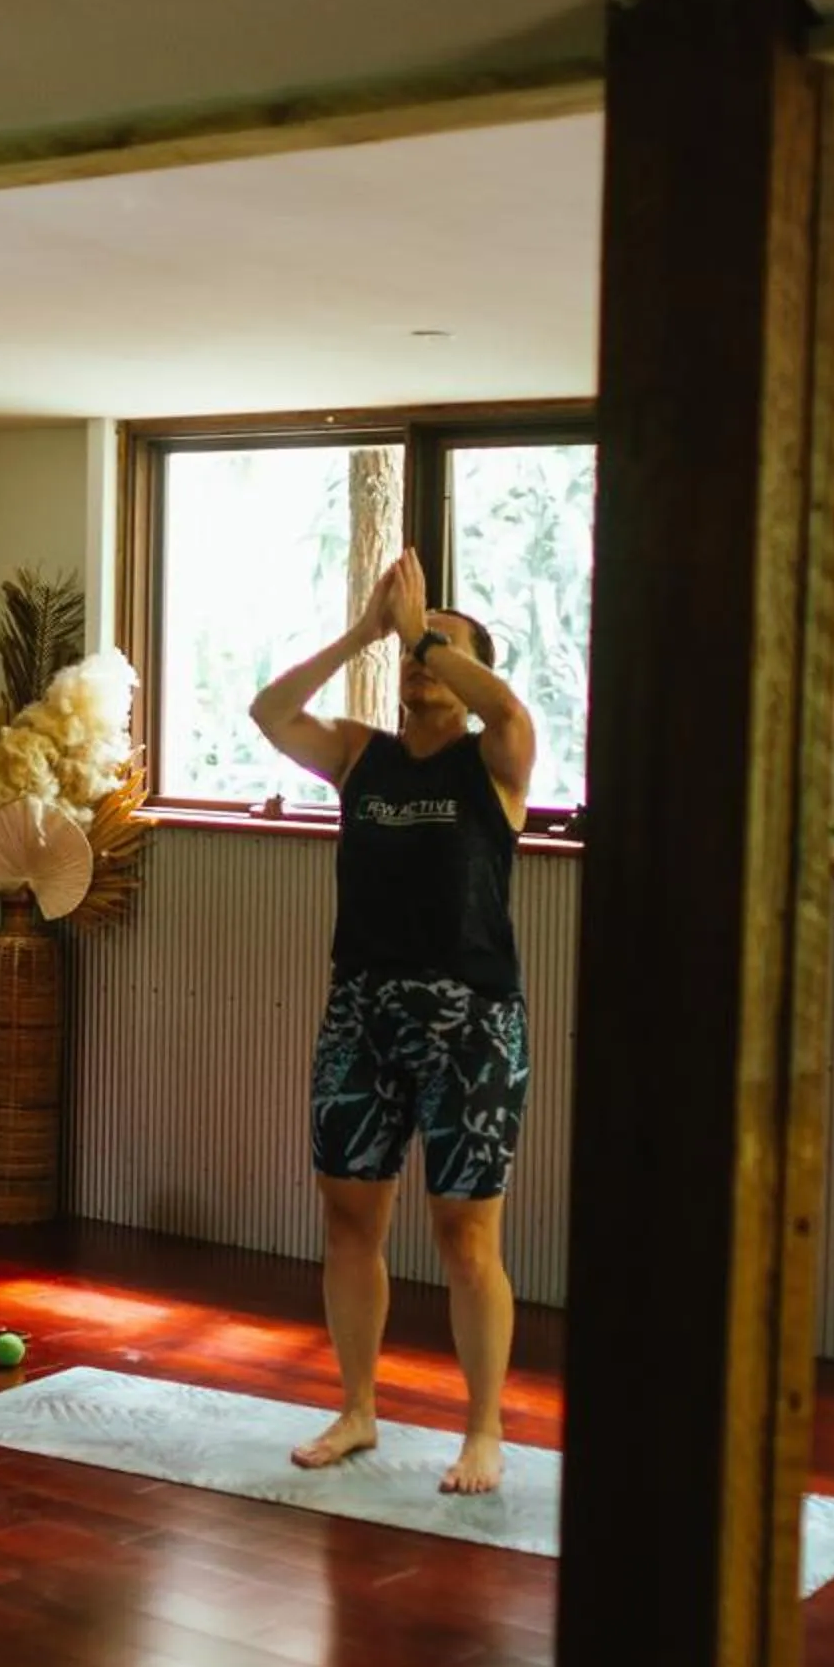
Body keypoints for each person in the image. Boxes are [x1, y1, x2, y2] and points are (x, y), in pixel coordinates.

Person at [248, 549, 536, 1495]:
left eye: (441, 652)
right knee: (347, 1219)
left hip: (472, 1020)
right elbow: (271, 713)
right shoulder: (360, 754)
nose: (420, 664)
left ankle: (483, 1430)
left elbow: (509, 712)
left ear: (468, 669)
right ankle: (359, 1409)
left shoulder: (494, 760)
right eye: (416, 652)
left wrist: (424, 632)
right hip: (363, 1009)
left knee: (465, 1237)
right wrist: (369, 633)